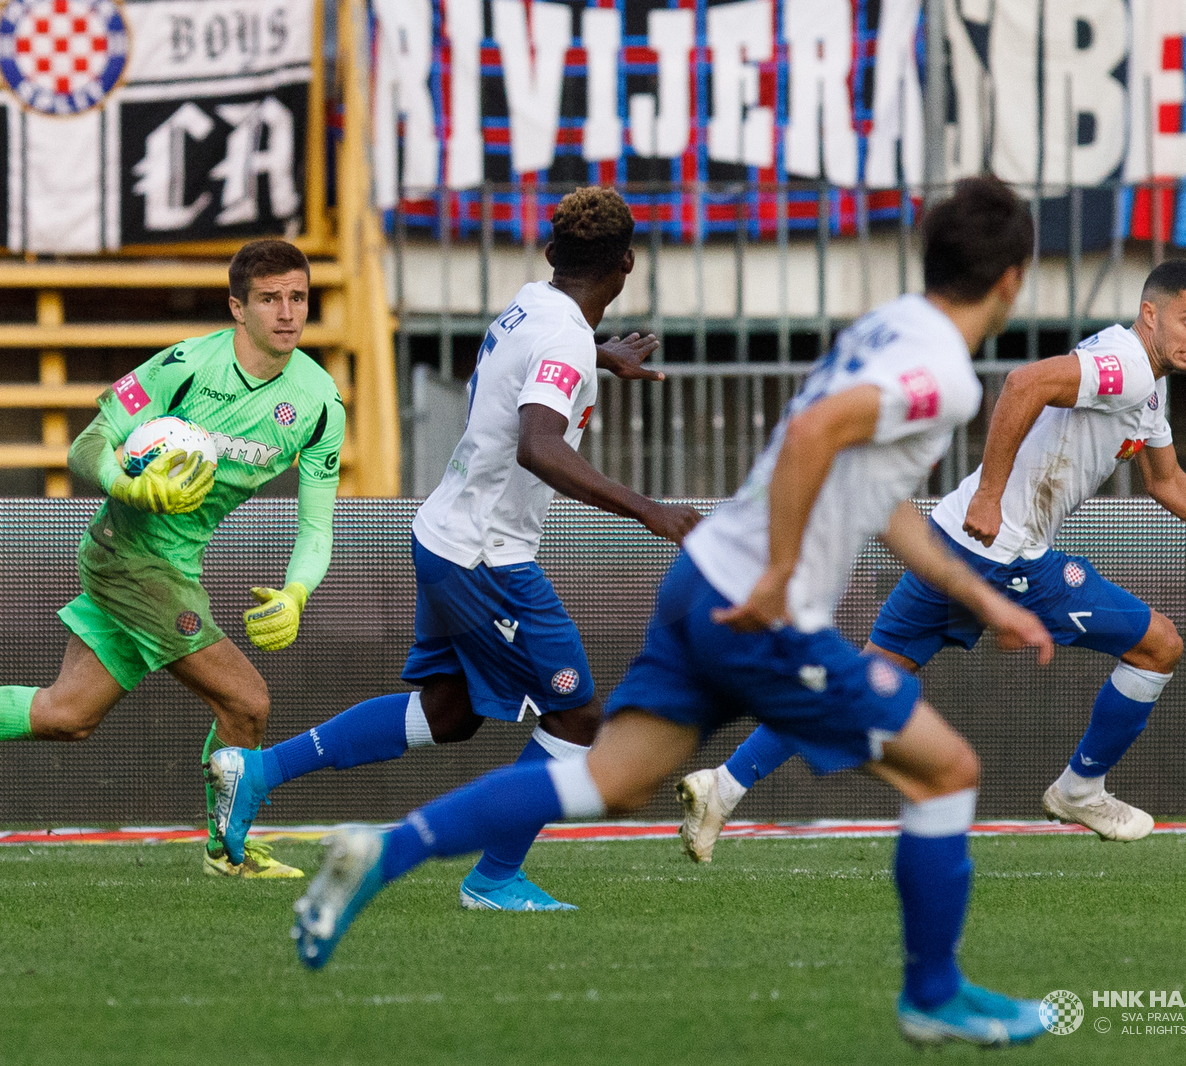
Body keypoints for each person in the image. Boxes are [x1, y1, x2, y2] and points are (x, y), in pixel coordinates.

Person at [284, 177, 1059, 1046]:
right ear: (1011, 282)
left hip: (699, 583)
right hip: (758, 614)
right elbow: (813, 439)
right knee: (947, 770)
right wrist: (774, 585)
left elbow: (878, 499)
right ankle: (933, 993)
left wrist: (984, 597)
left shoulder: (884, 329)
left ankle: (384, 851)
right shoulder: (947, 379)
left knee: (600, 777)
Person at [679, 258, 1186, 859]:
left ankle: (724, 786)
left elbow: (1168, 482)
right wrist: (991, 492)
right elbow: (1023, 383)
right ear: (1151, 314)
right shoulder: (1130, 367)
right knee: (1159, 646)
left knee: (863, 679)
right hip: (1008, 553)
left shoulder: (1144, 386)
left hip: (951, 539)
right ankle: (1079, 789)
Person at [206, 186, 700, 911]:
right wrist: (649, 510)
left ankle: (257, 772)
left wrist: (598, 359)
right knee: (578, 719)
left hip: (445, 533)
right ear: (627, 263)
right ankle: (494, 876)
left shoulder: (534, 304)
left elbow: (527, 373)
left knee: (451, 712)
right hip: (487, 556)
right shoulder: (561, 334)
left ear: (550, 253)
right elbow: (538, 444)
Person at [0, 239, 345, 879]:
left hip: (176, 566)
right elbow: (88, 446)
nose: (287, 313)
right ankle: (227, 850)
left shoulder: (318, 402)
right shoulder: (181, 368)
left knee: (67, 714)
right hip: (129, 557)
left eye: (298, 298)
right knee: (247, 702)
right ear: (237, 307)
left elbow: (316, 527)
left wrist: (297, 592)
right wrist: (129, 483)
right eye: (269, 299)